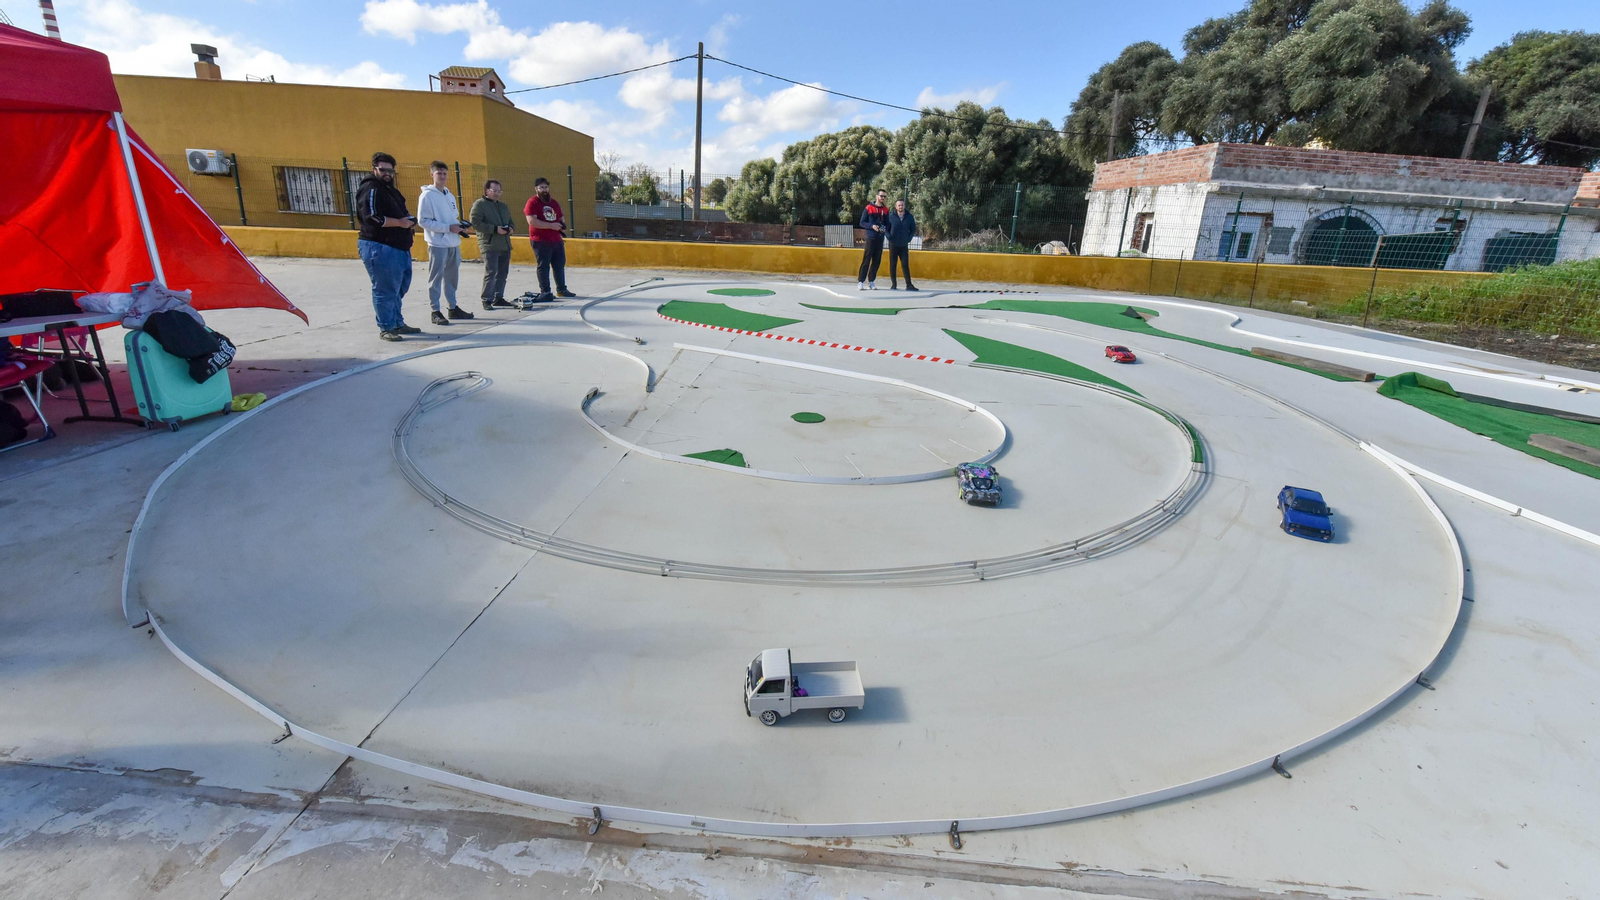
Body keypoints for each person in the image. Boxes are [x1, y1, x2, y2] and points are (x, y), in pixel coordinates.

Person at [355, 152, 421, 342]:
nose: (387, 174)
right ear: (374, 169)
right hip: (380, 247)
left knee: (399, 288)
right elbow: (371, 217)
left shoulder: (390, 190)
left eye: (390, 171)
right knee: (385, 290)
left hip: (399, 248)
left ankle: (397, 322)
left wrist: (409, 221)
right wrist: (400, 223)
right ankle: (386, 327)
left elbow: (401, 213)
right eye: (383, 170)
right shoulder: (371, 188)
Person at [417, 160, 473, 326]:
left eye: (444, 173)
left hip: (453, 243)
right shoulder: (427, 196)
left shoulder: (449, 195)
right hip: (437, 244)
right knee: (435, 278)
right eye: (438, 173)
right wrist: (447, 228)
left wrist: (460, 227)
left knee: (452, 278)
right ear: (432, 174)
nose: (442, 176)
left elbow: (452, 217)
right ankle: (435, 310)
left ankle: (452, 307)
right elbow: (423, 221)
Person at [524, 177, 575, 300]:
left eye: (546, 187)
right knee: (544, 266)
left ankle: (561, 289)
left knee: (559, 265)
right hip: (540, 240)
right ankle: (545, 292)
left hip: (556, 240)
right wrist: (551, 226)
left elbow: (560, 217)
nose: (544, 190)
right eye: (541, 187)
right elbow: (532, 221)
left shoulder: (553, 203)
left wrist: (562, 226)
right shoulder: (532, 202)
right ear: (536, 189)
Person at [470, 179, 515, 310]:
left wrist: (511, 228)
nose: (497, 194)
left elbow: (510, 221)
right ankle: (487, 299)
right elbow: (475, 223)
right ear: (486, 191)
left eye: (499, 191)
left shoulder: (503, 206)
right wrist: (495, 229)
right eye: (494, 191)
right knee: (491, 272)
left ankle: (498, 297)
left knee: (503, 273)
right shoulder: (479, 205)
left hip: (505, 244)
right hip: (490, 245)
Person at [857, 189, 890, 290]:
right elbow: (862, 222)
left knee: (877, 260)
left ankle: (871, 280)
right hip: (871, 237)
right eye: (881, 196)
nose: (883, 198)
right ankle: (861, 281)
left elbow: (888, 223)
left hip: (880, 238)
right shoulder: (868, 208)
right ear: (877, 196)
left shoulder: (885, 210)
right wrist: (871, 226)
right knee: (867, 259)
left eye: (884, 196)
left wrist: (884, 228)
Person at [886, 198, 918, 291]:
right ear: (896, 206)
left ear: (904, 206)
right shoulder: (890, 216)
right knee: (893, 264)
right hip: (893, 244)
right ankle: (894, 284)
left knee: (905, 264)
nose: (900, 207)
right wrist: (889, 237)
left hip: (904, 244)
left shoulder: (909, 217)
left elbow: (913, 229)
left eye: (902, 205)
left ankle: (909, 285)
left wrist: (909, 238)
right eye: (899, 205)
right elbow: (886, 229)